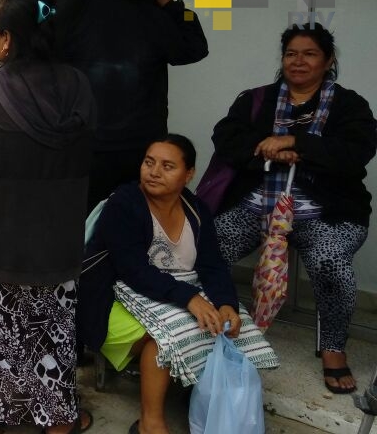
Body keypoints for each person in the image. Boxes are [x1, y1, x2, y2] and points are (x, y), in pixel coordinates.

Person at [0, 0, 95, 433]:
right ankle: (57, 419)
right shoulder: (80, 87)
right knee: (53, 334)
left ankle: (1, 413)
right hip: (57, 244)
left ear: (7, 40)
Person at [210, 23, 376, 395]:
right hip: (258, 205)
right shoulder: (256, 99)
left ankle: (333, 346)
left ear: (328, 61)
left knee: (331, 264)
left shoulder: (350, 105)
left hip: (324, 213)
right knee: (207, 247)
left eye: (310, 54)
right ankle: (219, 325)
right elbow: (226, 137)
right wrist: (268, 147)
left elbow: (354, 152)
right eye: (291, 54)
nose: (298, 61)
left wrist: (294, 142)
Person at [78, 135, 278, 434]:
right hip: (112, 298)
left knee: (228, 324)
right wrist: (190, 299)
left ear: (189, 174)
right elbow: (133, 271)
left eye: (167, 166)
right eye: (149, 162)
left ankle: (201, 393)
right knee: (164, 339)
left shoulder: (195, 210)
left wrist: (226, 303)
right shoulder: (124, 204)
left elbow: (212, 265)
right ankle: (150, 423)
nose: (154, 172)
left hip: (171, 292)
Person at [36, 0, 208, 212]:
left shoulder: (70, 15)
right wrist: (172, 6)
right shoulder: (150, 16)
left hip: (84, 148)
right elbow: (196, 45)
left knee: (83, 222)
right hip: (141, 150)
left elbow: (26, 34)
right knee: (134, 219)